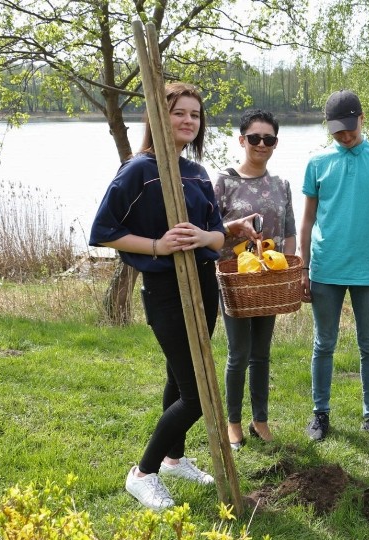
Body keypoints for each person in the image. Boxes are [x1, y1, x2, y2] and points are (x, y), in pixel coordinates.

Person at [90, 82, 230, 512]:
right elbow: (104, 232)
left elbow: (219, 236)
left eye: (195, 114)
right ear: (157, 117)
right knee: (197, 392)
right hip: (166, 291)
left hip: (204, 285)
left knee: (178, 378)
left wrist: (204, 236)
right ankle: (143, 472)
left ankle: (174, 459)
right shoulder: (139, 169)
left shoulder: (197, 172)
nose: (189, 120)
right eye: (179, 113)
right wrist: (157, 246)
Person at [299, 89, 369, 443]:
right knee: (323, 344)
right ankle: (320, 414)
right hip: (326, 267)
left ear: (362, 118)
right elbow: (308, 219)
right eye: (337, 131)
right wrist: (303, 267)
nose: (345, 136)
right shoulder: (317, 163)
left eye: (350, 129)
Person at [214, 109, 296, 450]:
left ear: (275, 144)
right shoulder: (223, 182)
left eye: (269, 139)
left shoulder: (281, 185)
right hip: (236, 280)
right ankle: (233, 422)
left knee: (261, 353)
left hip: (269, 281)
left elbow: (289, 231)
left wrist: (291, 268)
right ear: (242, 140)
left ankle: (259, 419)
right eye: (255, 138)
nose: (262, 144)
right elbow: (211, 232)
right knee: (238, 352)